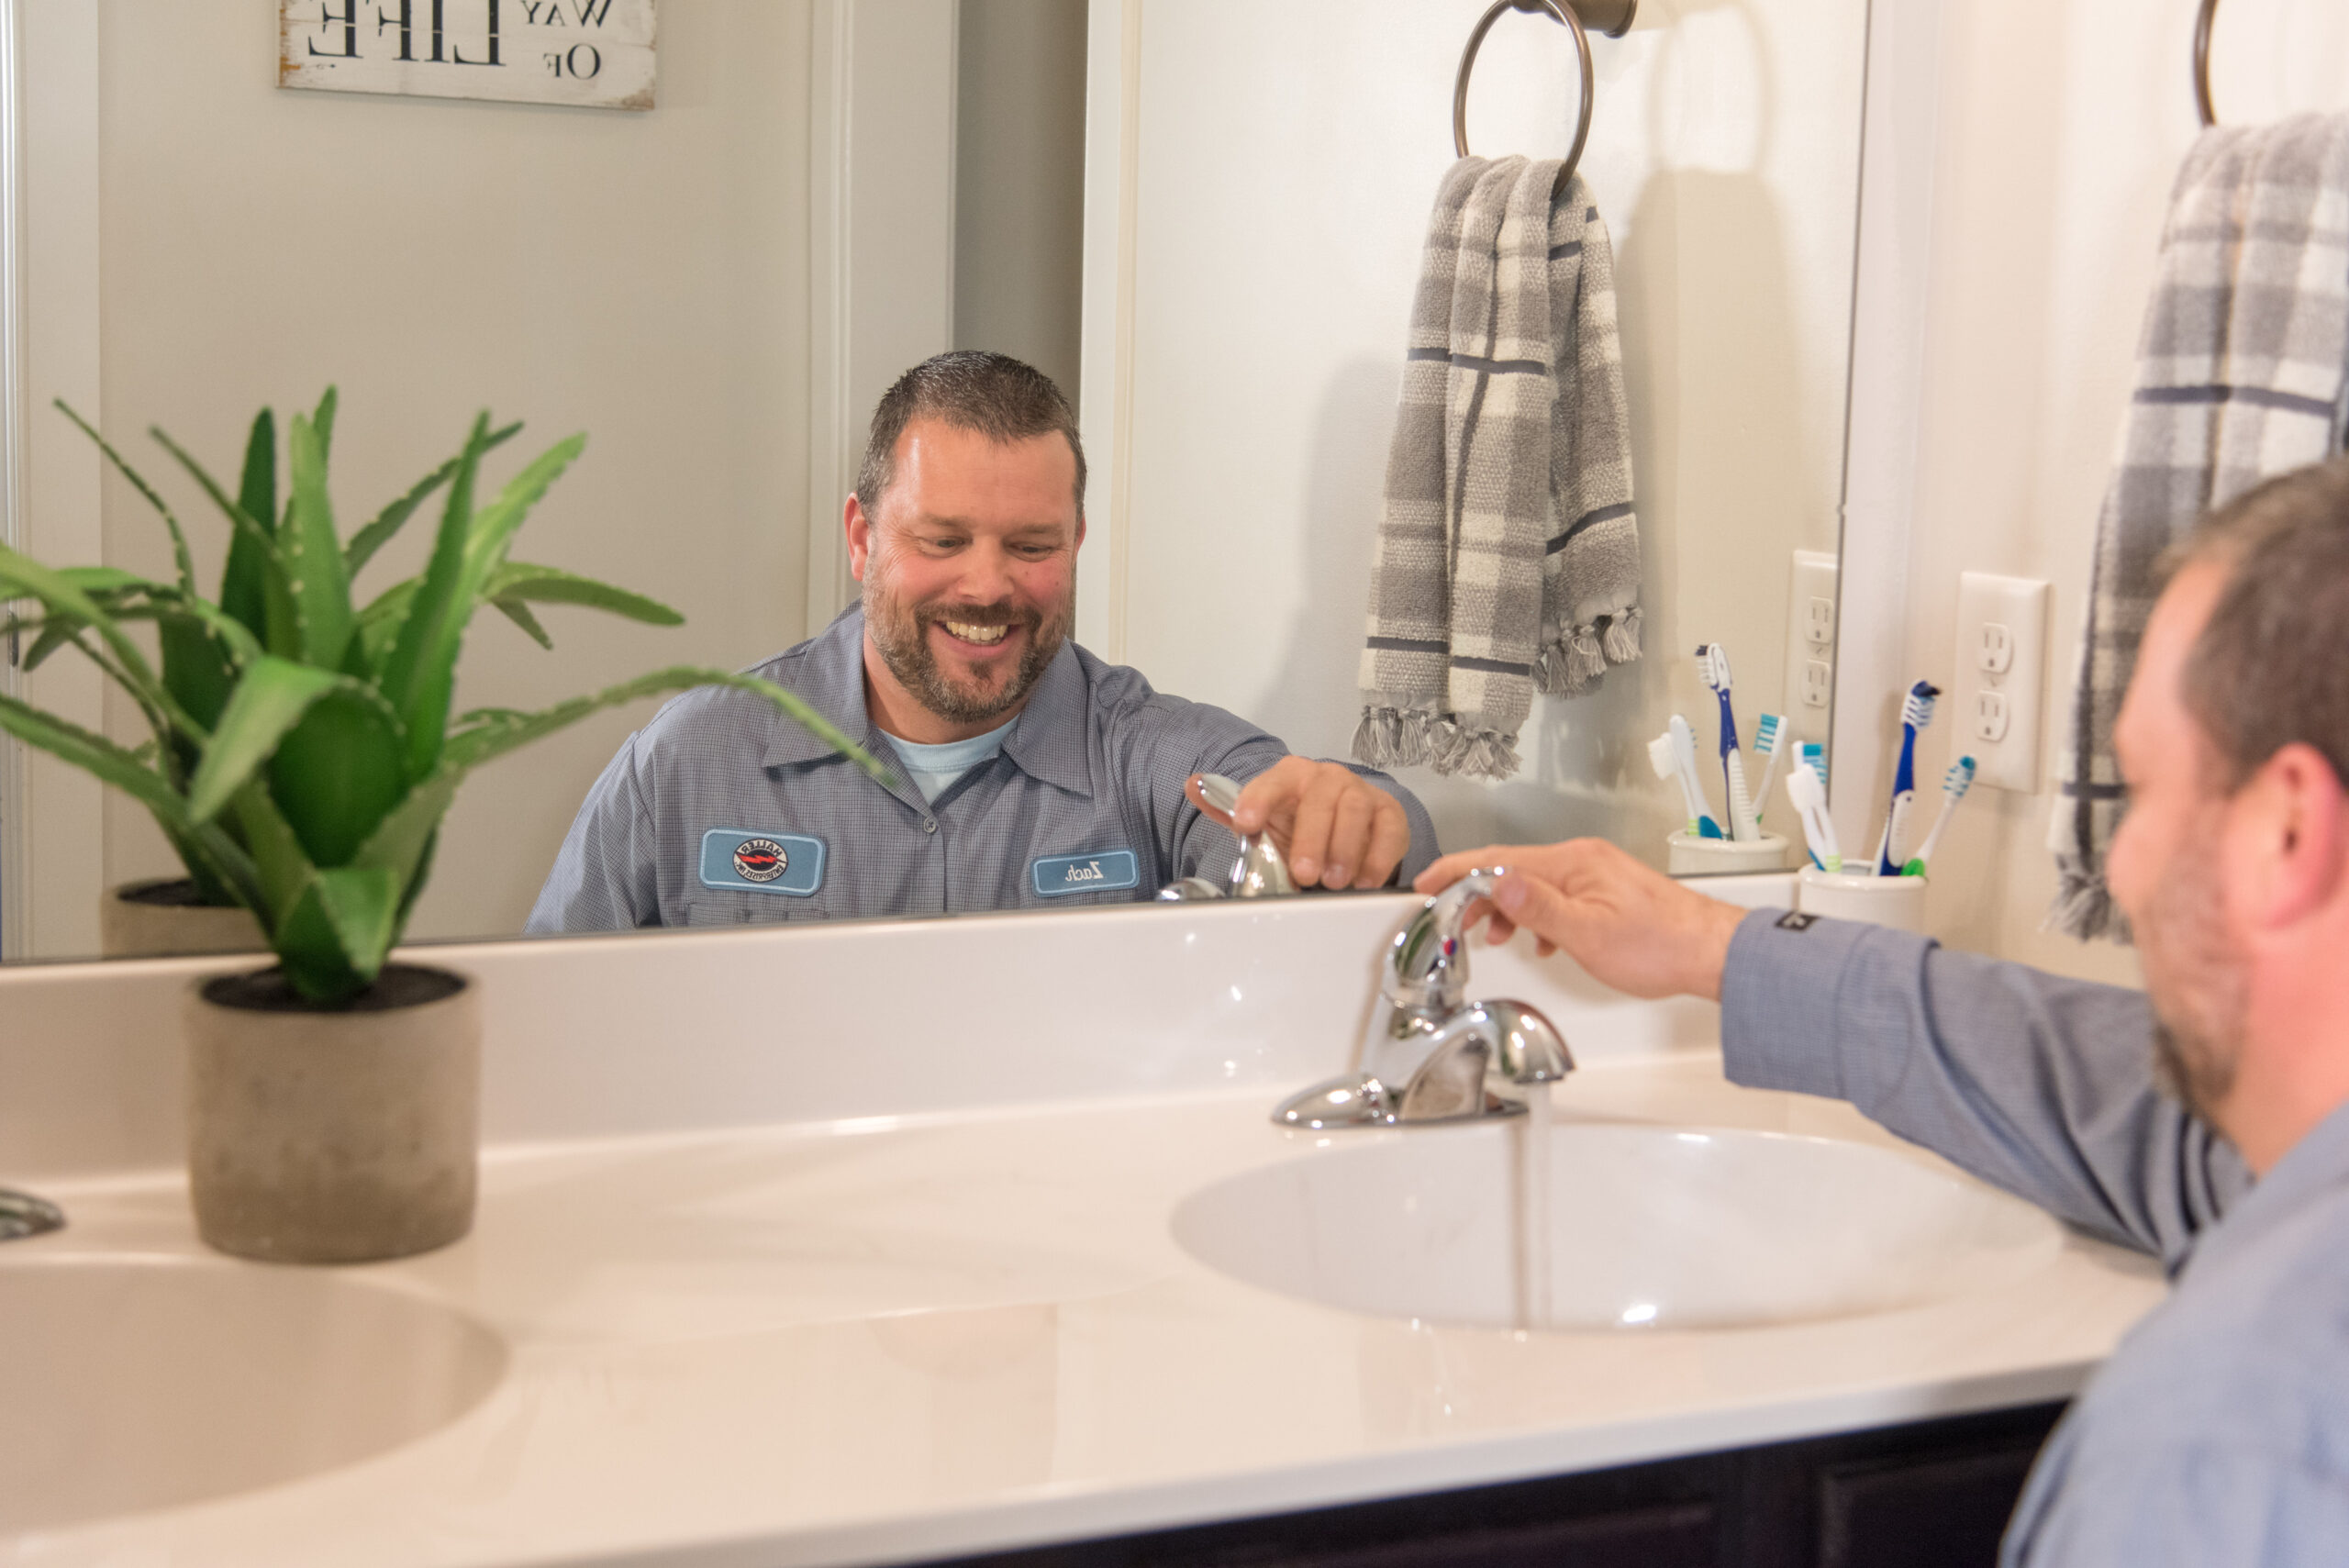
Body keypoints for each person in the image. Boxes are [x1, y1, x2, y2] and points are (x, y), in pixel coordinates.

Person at [1417, 456, 2349, 1562]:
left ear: (2284, 832)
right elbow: (2113, 1093)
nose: (2124, 866)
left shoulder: (2228, 1443)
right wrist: (1718, 946)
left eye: (2140, 791)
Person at [530, 351, 1436, 931]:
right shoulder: (692, 760)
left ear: (1074, 544)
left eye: (1031, 545)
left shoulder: (1147, 759)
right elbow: (546, 1034)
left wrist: (1362, 814)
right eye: (943, 540)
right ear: (860, 537)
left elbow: (1301, 810)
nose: (988, 585)